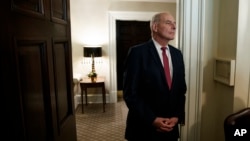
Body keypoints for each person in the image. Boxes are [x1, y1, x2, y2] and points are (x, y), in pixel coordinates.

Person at [123, 11, 187, 141]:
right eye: (168, 23)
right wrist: (152, 119)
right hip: (143, 128)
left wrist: (177, 116)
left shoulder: (177, 54)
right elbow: (130, 93)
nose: (174, 27)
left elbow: (181, 90)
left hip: (171, 128)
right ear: (155, 27)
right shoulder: (137, 53)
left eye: (174, 23)